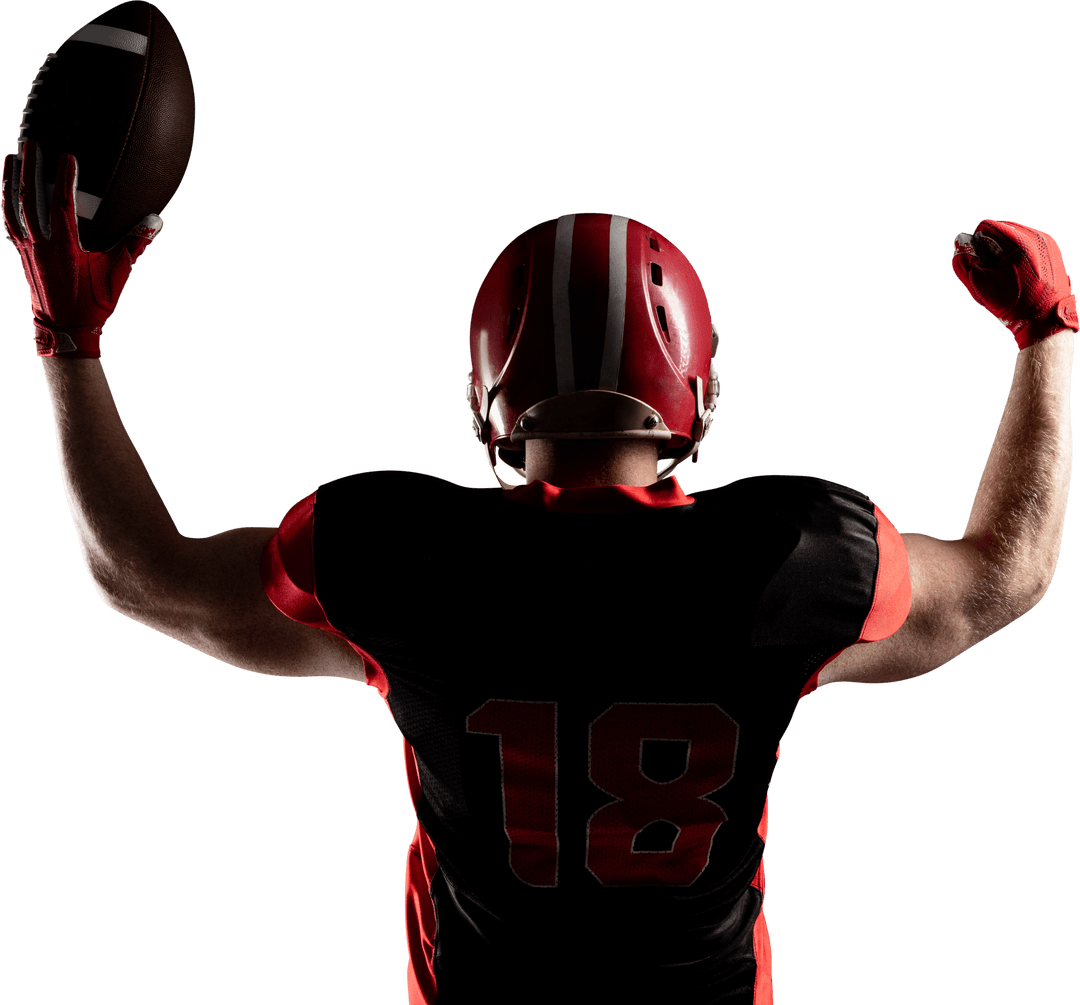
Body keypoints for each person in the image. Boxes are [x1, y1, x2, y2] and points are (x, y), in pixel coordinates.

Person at [4, 138, 1074, 1004]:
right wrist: (1048, 332)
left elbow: (137, 572)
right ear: (697, 395)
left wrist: (69, 340)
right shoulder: (795, 557)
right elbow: (1006, 575)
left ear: (488, 402)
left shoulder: (399, 554)